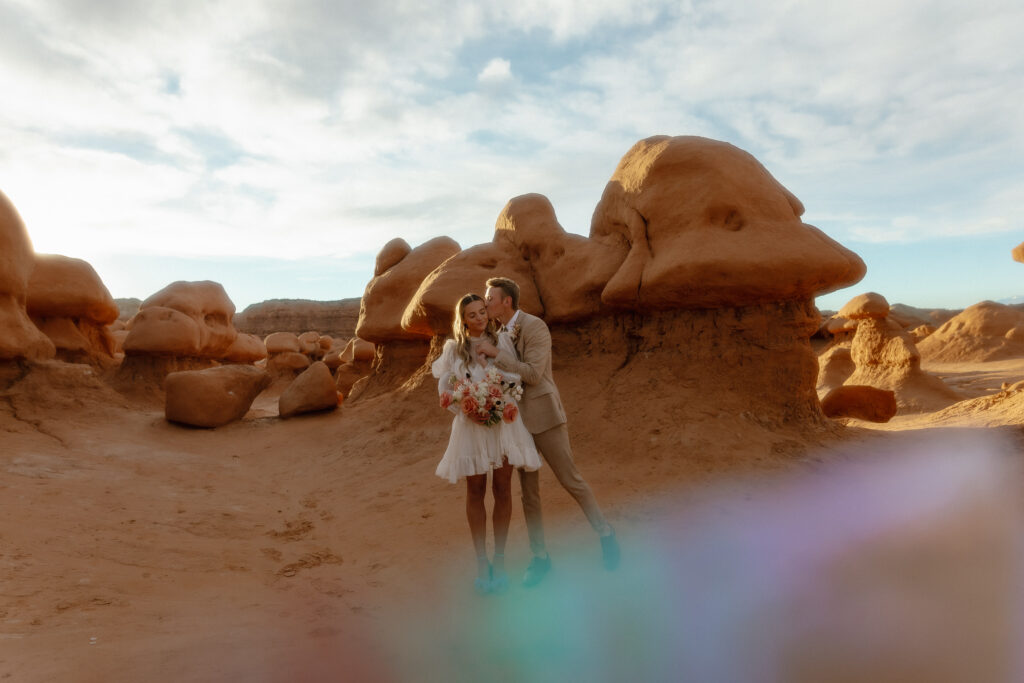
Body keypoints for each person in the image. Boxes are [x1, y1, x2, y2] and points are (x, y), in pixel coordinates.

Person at [479, 277, 620, 587]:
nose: (486, 302)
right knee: (529, 494)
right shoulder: (497, 332)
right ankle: (540, 557)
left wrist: (495, 353)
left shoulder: (535, 327)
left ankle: (605, 533)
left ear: (507, 301)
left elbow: (532, 373)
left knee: (570, 479)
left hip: (545, 416)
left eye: (491, 298)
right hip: (517, 425)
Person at [432, 293, 542, 595]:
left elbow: (514, 378)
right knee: (476, 490)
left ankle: (501, 560)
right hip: (472, 427)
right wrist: (469, 408)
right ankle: (482, 562)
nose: (480, 318)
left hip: (504, 425)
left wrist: (496, 399)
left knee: (503, 488)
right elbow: (445, 388)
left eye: (482, 312)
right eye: (472, 315)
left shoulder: (502, 341)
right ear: (463, 320)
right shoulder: (455, 349)